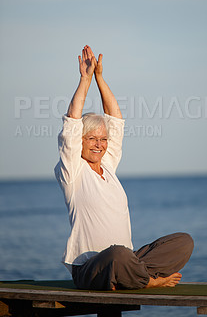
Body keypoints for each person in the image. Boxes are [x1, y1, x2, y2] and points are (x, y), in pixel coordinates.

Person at [54, 45, 194, 291]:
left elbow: (115, 119)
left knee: (183, 242)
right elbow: (72, 125)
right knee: (117, 254)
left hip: (126, 260)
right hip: (91, 268)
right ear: (80, 141)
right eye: (92, 139)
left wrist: (100, 78)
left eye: (103, 139)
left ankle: (129, 276)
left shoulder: (108, 166)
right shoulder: (72, 171)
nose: (99, 144)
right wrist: (85, 80)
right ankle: (147, 281)